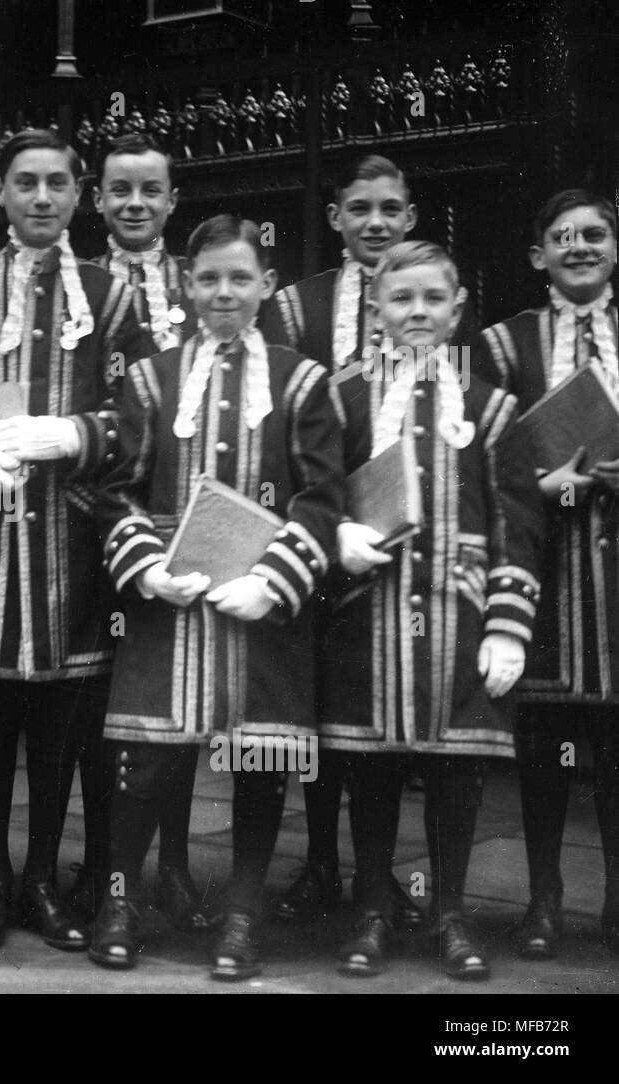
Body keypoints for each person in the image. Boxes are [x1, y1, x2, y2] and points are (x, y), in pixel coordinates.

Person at [0, 128, 156, 952]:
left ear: (78, 193)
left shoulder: (112, 299)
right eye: (26, 184)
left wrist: (78, 433)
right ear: (1, 193)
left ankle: (44, 881)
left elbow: (151, 416)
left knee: (61, 725)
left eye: (57, 183)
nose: (42, 198)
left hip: (73, 549)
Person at [89, 213, 344, 978]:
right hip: (171, 604)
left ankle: (241, 913)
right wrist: (145, 567)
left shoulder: (302, 381)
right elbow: (115, 493)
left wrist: (277, 579)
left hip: (260, 607)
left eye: (240, 278)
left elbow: (324, 498)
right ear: (187, 287)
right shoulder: (150, 378)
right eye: (208, 279)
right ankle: (119, 901)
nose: (224, 292)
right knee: (147, 764)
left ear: (267, 285)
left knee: (258, 761)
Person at [322, 240, 542, 980]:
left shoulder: (491, 408)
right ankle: (374, 911)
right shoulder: (344, 396)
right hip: (369, 621)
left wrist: (508, 626)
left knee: (456, 773)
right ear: (377, 309)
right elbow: (313, 494)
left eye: (432, 300)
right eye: (401, 299)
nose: (417, 312)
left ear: (456, 311)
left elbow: (518, 525)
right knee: (373, 773)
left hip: (459, 626)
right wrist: (337, 536)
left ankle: (449, 913)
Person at [260, 153, 427, 929]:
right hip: (319, 521)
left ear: (410, 217)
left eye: (390, 209)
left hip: (399, 535)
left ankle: (378, 875)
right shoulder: (295, 307)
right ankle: (319, 862)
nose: (375, 223)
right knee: (318, 710)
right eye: (359, 208)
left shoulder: (425, 296)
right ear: (335, 218)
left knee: (381, 712)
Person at [475, 189, 619, 958]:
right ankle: (543, 898)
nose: (581, 247)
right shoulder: (504, 346)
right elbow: (485, 467)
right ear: (540, 256)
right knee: (545, 751)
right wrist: (541, 486)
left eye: (595, 234)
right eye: (563, 237)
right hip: (544, 568)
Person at [81, 131, 204, 930]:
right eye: (119, 190)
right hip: (93, 512)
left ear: (170, 200)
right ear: (98, 199)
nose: (134, 204)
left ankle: (177, 861)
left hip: (173, 519)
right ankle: (103, 867)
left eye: (149, 191)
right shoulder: (75, 286)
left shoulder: (197, 288)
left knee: (177, 697)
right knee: (102, 704)